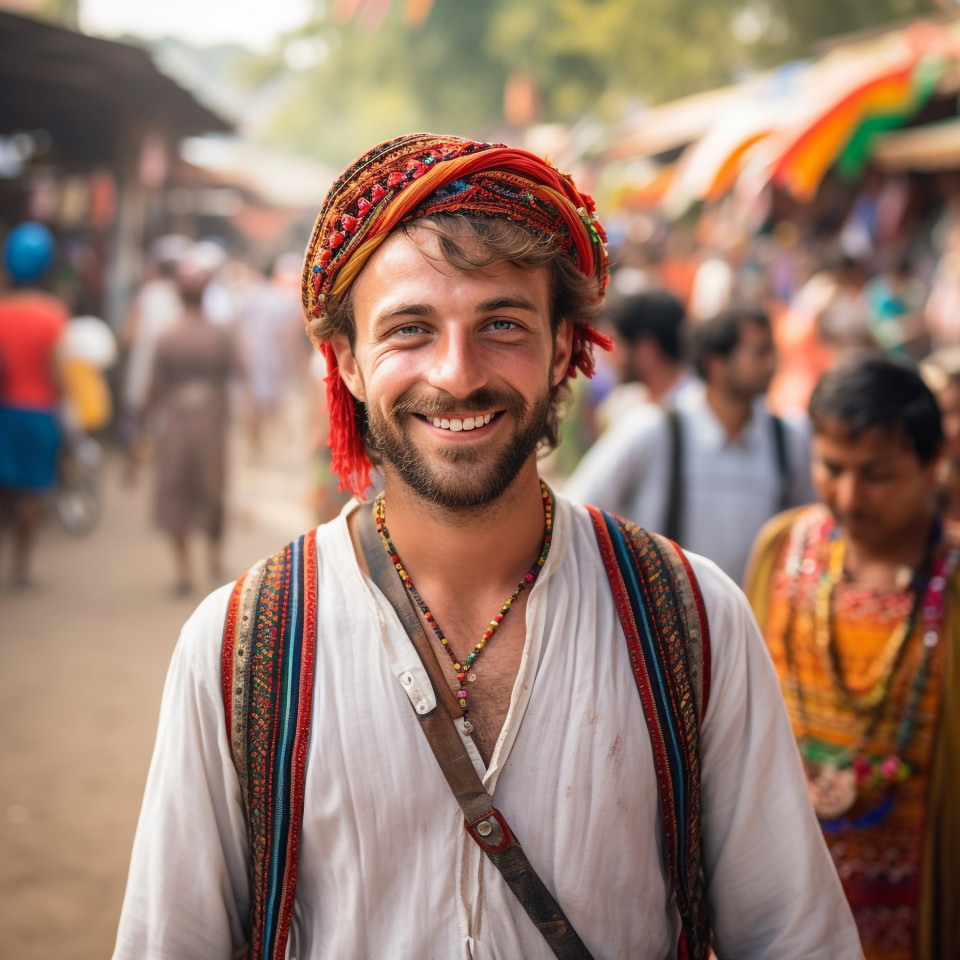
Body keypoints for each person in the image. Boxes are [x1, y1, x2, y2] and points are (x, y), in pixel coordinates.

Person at [113, 134, 862, 959]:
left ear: (565, 346)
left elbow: (796, 938)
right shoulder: (243, 645)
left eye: (501, 323)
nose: (458, 373)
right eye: (409, 329)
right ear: (347, 362)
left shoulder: (693, 619)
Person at [744, 354, 959, 960]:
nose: (848, 494)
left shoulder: (952, 581)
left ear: (933, 465)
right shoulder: (782, 548)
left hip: (921, 909)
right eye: (831, 467)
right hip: (784, 901)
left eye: (878, 474)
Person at [565, 305, 814, 584]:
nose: (772, 364)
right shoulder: (652, 429)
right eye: (760, 352)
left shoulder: (789, 437)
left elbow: (811, 526)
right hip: (669, 610)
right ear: (716, 363)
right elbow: (577, 508)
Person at [143, 246, 242, 595]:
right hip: (212, 419)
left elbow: (154, 387)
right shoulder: (220, 333)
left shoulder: (168, 335)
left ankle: (184, 571)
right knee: (212, 486)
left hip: (176, 420)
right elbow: (239, 371)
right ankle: (214, 558)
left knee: (174, 488)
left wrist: (139, 426)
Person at [0, 221, 67, 587]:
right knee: (31, 493)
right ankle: (21, 566)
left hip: (5, 412)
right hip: (40, 414)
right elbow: (58, 372)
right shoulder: (52, 314)